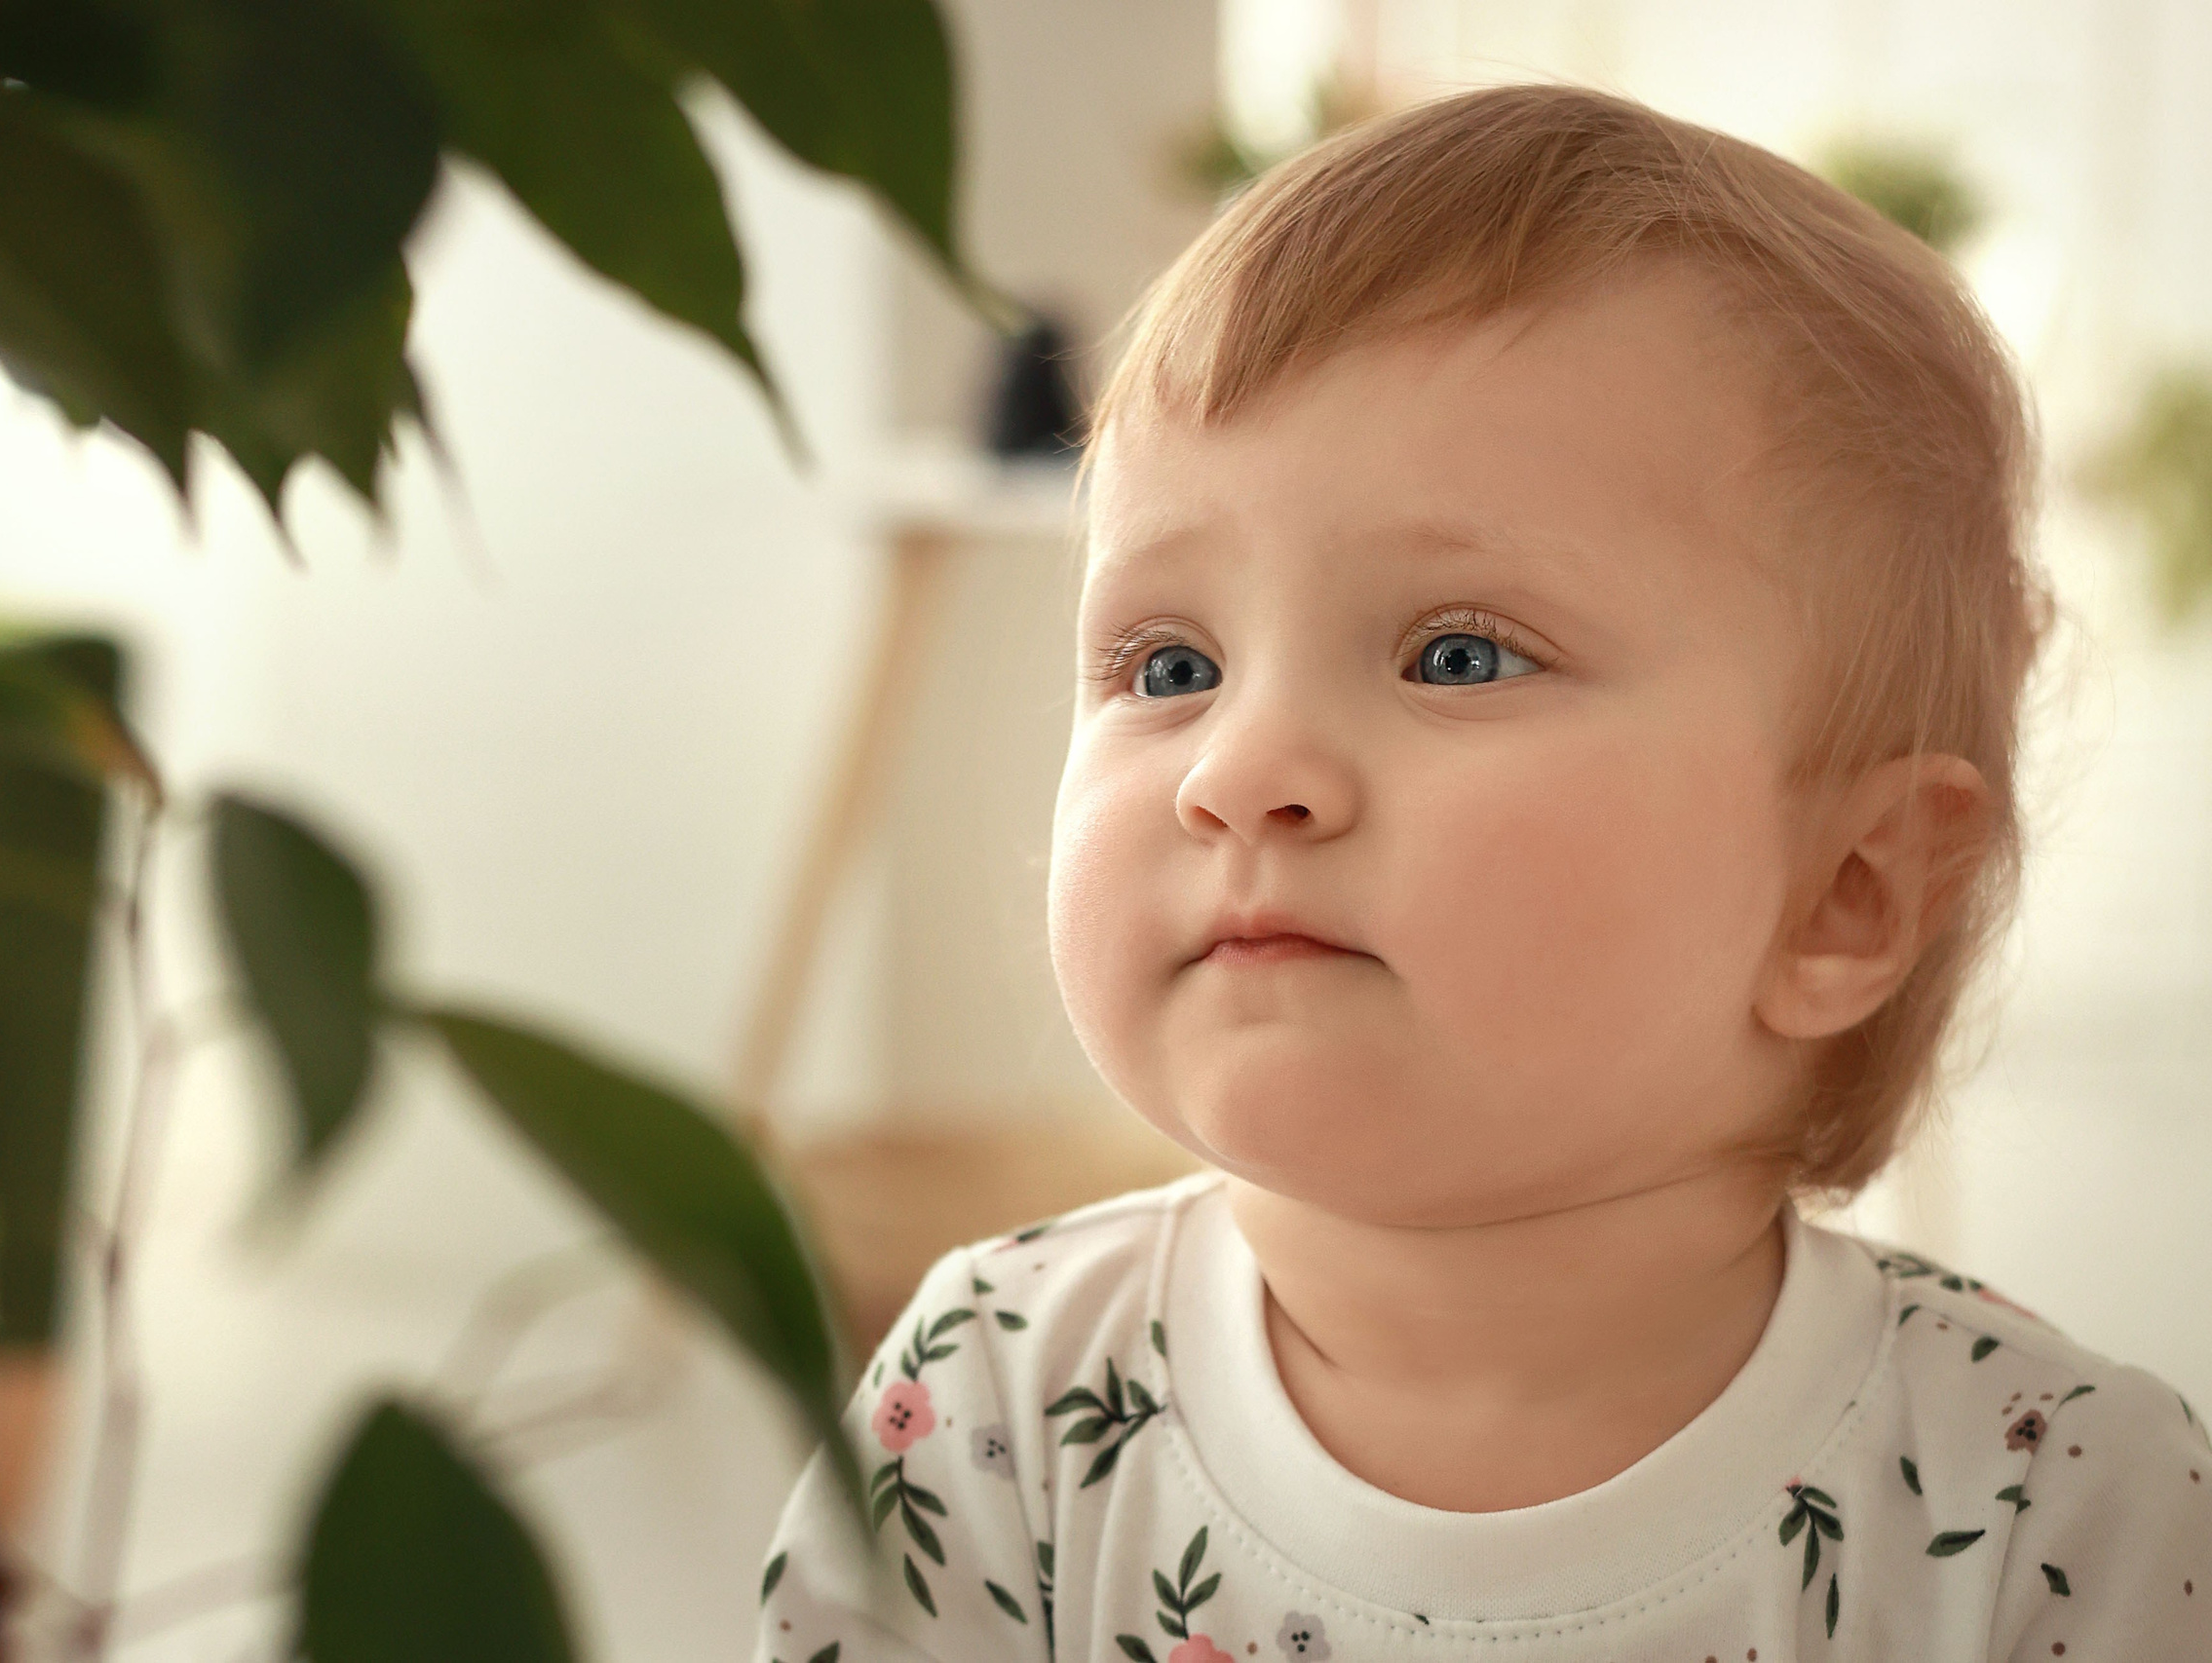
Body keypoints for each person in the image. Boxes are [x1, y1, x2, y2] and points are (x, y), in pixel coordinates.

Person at [752, 83, 2211, 1661]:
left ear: (1843, 891)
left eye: (1457, 653)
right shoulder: (991, 1401)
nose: (1239, 770)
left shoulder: (2054, 1511)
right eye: (1170, 665)